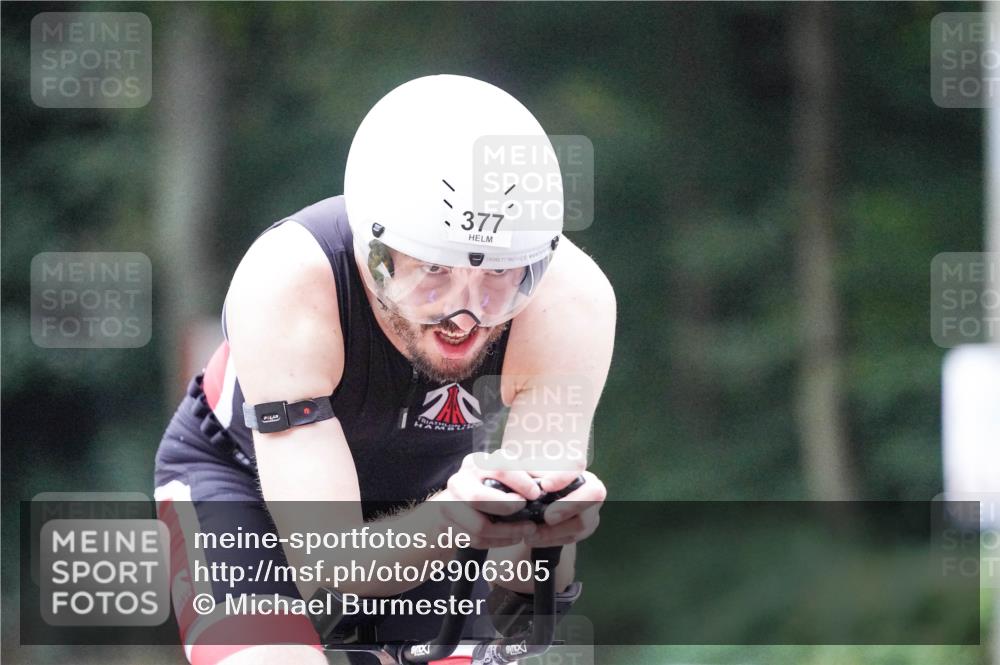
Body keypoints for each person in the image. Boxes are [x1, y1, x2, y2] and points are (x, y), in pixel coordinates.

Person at [154, 74, 615, 665]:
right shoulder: (288, 281)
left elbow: (519, 587)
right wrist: (454, 516)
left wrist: (552, 532)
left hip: (436, 501)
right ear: (373, 255)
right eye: (435, 271)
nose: (463, 314)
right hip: (247, 487)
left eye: (499, 276)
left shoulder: (570, 304)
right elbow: (330, 563)